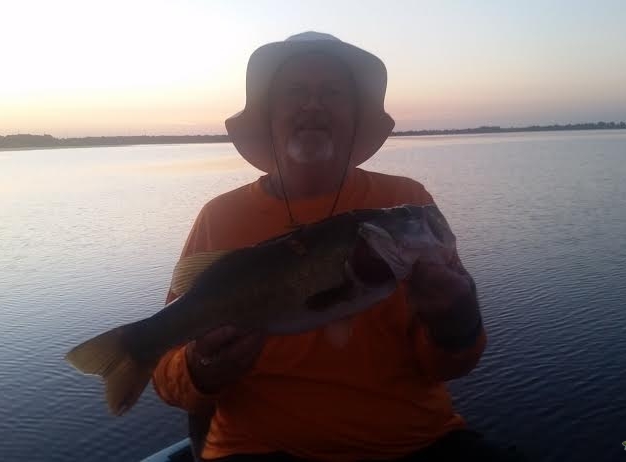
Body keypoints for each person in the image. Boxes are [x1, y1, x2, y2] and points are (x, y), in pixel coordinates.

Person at [152, 32, 526, 462]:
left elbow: (450, 366)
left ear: (354, 117)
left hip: (415, 444)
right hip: (257, 450)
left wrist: (457, 318)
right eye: (296, 92)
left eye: (332, 92)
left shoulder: (408, 205)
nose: (314, 105)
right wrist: (201, 368)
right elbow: (166, 375)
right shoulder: (220, 217)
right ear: (270, 116)